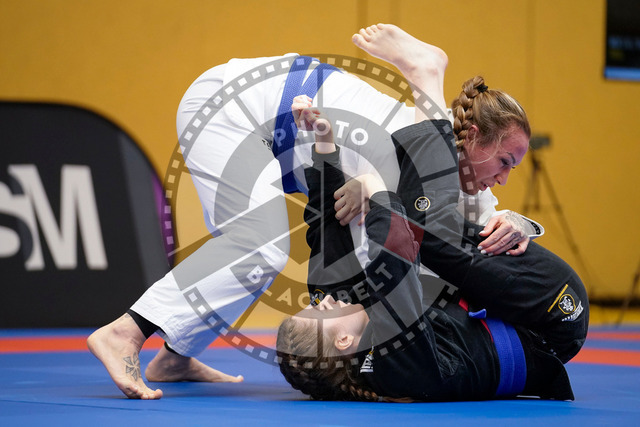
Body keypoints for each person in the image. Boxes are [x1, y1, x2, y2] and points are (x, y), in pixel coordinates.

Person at [87, 24, 544, 400]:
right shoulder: (424, 148)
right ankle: (126, 331)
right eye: (505, 162)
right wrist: (373, 182)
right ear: (473, 139)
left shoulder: (447, 167)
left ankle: (175, 356)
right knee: (261, 247)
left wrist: (520, 223)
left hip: (282, 129)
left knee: (249, 253)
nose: (504, 177)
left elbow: (480, 220)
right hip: (231, 109)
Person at [276, 36, 588, 400]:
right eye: (319, 312)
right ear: (344, 340)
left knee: (415, 225)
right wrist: (374, 188)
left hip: (505, 309)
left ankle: (425, 79)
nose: (322, 302)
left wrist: (324, 144)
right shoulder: (396, 364)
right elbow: (397, 255)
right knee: (421, 226)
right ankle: (426, 76)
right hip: (552, 317)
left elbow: (326, 230)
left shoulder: (351, 332)